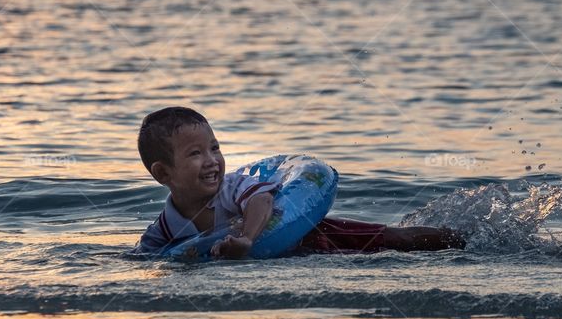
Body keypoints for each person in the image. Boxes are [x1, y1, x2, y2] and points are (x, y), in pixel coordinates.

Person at [134, 107, 464, 258]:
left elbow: (261, 201)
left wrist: (247, 238)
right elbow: (148, 255)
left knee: (395, 241)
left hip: (309, 232)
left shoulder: (232, 187)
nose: (212, 160)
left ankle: (464, 239)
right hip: (296, 257)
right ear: (163, 174)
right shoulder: (165, 227)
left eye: (215, 148)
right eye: (196, 153)